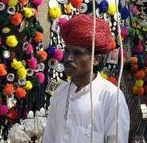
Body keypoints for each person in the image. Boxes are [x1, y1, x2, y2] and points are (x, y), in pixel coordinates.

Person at [42, 14, 130, 143]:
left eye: (77, 53)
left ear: (96, 59)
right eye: (67, 51)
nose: (69, 58)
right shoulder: (60, 94)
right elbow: (49, 139)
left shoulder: (111, 97)